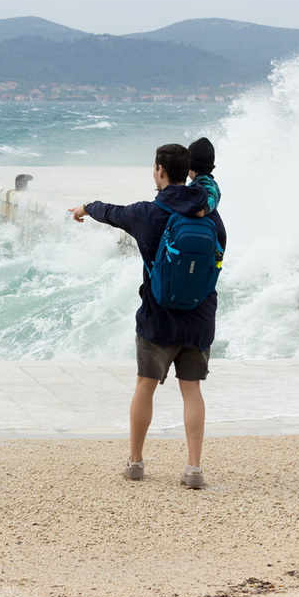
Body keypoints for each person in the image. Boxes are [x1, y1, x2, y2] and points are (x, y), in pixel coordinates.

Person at [68, 141, 226, 488]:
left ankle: (136, 462)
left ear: (159, 170)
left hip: (157, 317)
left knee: (145, 386)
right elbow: (216, 261)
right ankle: (194, 468)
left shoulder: (146, 213)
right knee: (192, 390)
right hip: (199, 318)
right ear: (187, 172)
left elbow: (110, 212)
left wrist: (85, 207)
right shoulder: (211, 214)